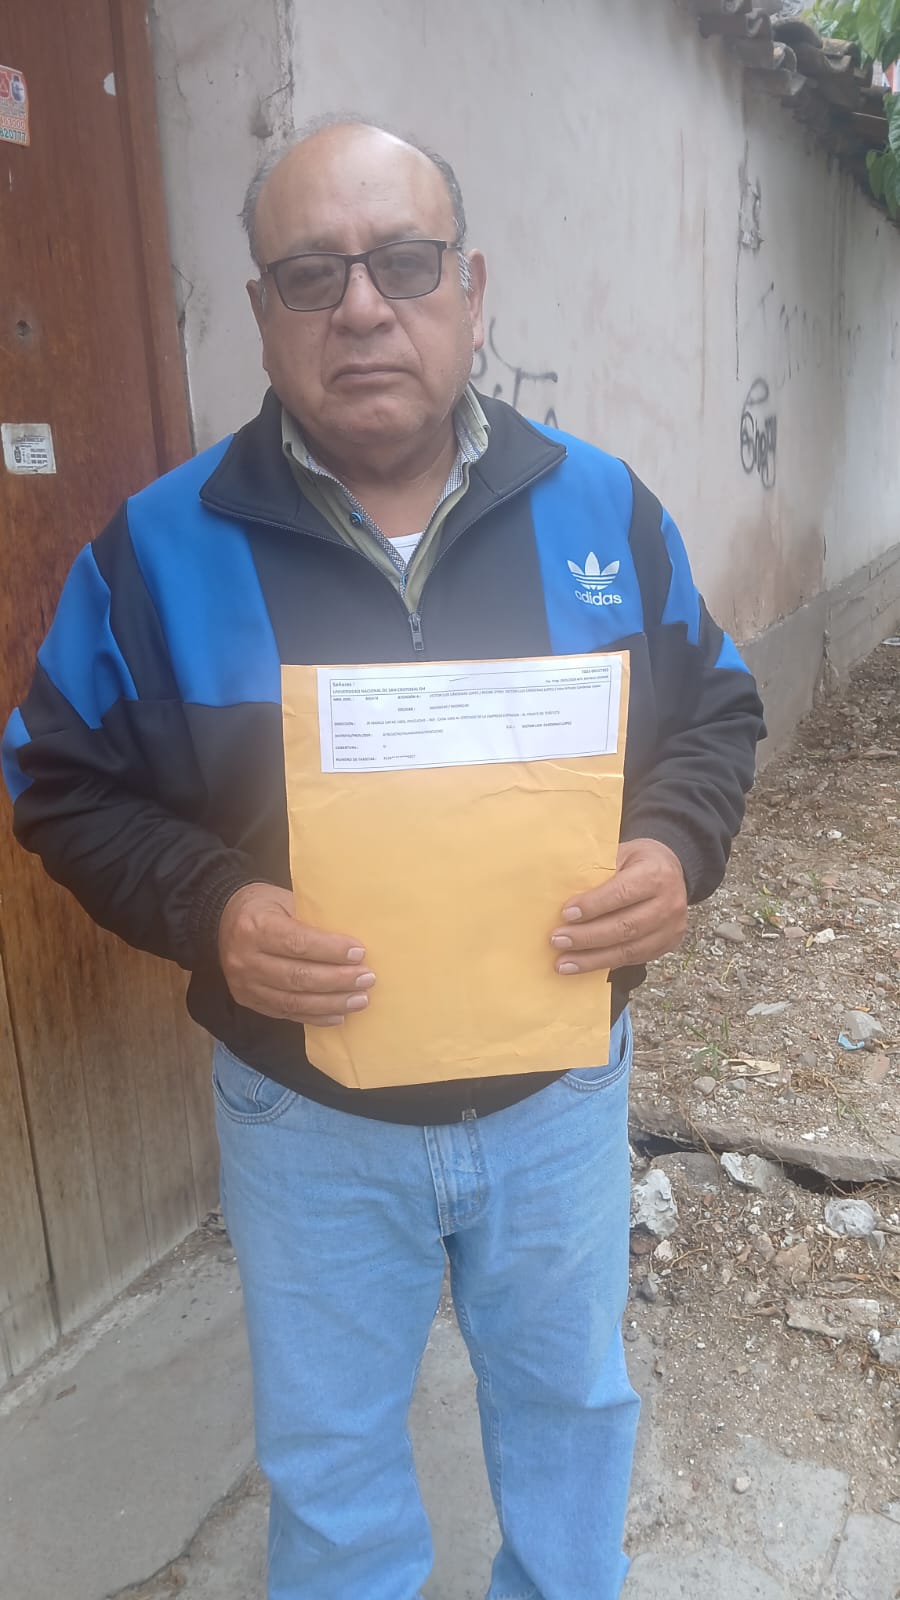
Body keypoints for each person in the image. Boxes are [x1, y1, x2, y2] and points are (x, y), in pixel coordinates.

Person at [2, 116, 765, 1599]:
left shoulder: (603, 510)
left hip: (558, 1097)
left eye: (404, 263)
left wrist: (675, 844)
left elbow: (716, 711)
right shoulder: (156, 552)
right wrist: (212, 905)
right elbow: (56, 778)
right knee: (333, 1461)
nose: (362, 306)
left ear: (470, 289)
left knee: (573, 1411)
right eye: (311, 273)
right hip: (308, 1117)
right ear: (261, 310)